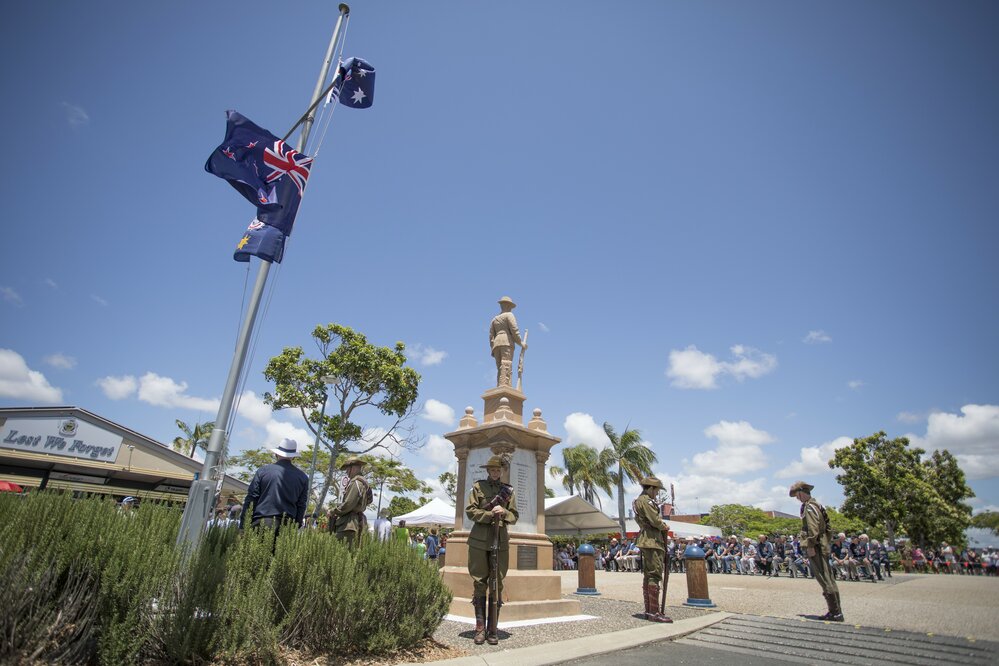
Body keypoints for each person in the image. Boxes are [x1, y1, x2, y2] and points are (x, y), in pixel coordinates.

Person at [465, 454, 518, 645]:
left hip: (500, 540)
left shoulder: (508, 491)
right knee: (479, 581)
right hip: (479, 539)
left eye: (498, 470)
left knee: (497, 582)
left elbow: (514, 515)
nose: (496, 472)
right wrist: (489, 514)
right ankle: (480, 629)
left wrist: (503, 512)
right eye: (493, 470)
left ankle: (493, 628)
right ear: (487, 470)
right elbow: (470, 511)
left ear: (502, 471)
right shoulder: (478, 487)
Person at [790, 480, 843, 621]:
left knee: (824, 579)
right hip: (822, 544)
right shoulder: (817, 505)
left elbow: (812, 529)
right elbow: (828, 529)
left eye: (797, 495)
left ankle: (835, 612)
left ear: (801, 493)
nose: (796, 498)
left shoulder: (809, 507)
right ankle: (836, 611)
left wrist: (811, 545)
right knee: (829, 578)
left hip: (816, 546)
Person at [241, 438, 309, 537]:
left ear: (276, 454)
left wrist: (243, 525)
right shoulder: (302, 477)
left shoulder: (263, 471)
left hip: (261, 522)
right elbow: (301, 505)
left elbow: (252, 498)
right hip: (287, 526)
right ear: (293, 457)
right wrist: (296, 526)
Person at [633, 476, 673, 623]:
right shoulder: (646, 501)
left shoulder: (638, 501)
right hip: (652, 540)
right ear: (650, 488)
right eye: (656, 490)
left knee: (648, 575)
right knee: (654, 574)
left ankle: (650, 611)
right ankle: (654, 612)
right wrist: (664, 526)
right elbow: (655, 521)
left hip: (646, 538)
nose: (656, 493)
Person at [328, 456, 372, 545]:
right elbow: (369, 501)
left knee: (340, 552)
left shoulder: (356, 483)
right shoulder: (363, 482)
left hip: (348, 525)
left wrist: (333, 511)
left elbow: (348, 504)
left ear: (355, 468)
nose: (346, 472)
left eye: (348, 469)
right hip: (356, 522)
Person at [489, 296, 527, 387]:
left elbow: (491, 336)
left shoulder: (494, 319)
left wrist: (493, 348)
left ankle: (500, 386)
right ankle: (505, 387)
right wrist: (521, 343)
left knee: (500, 367)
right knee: (506, 364)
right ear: (507, 306)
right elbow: (514, 330)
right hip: (507, 342)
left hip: (496, 344)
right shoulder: (509, 315)